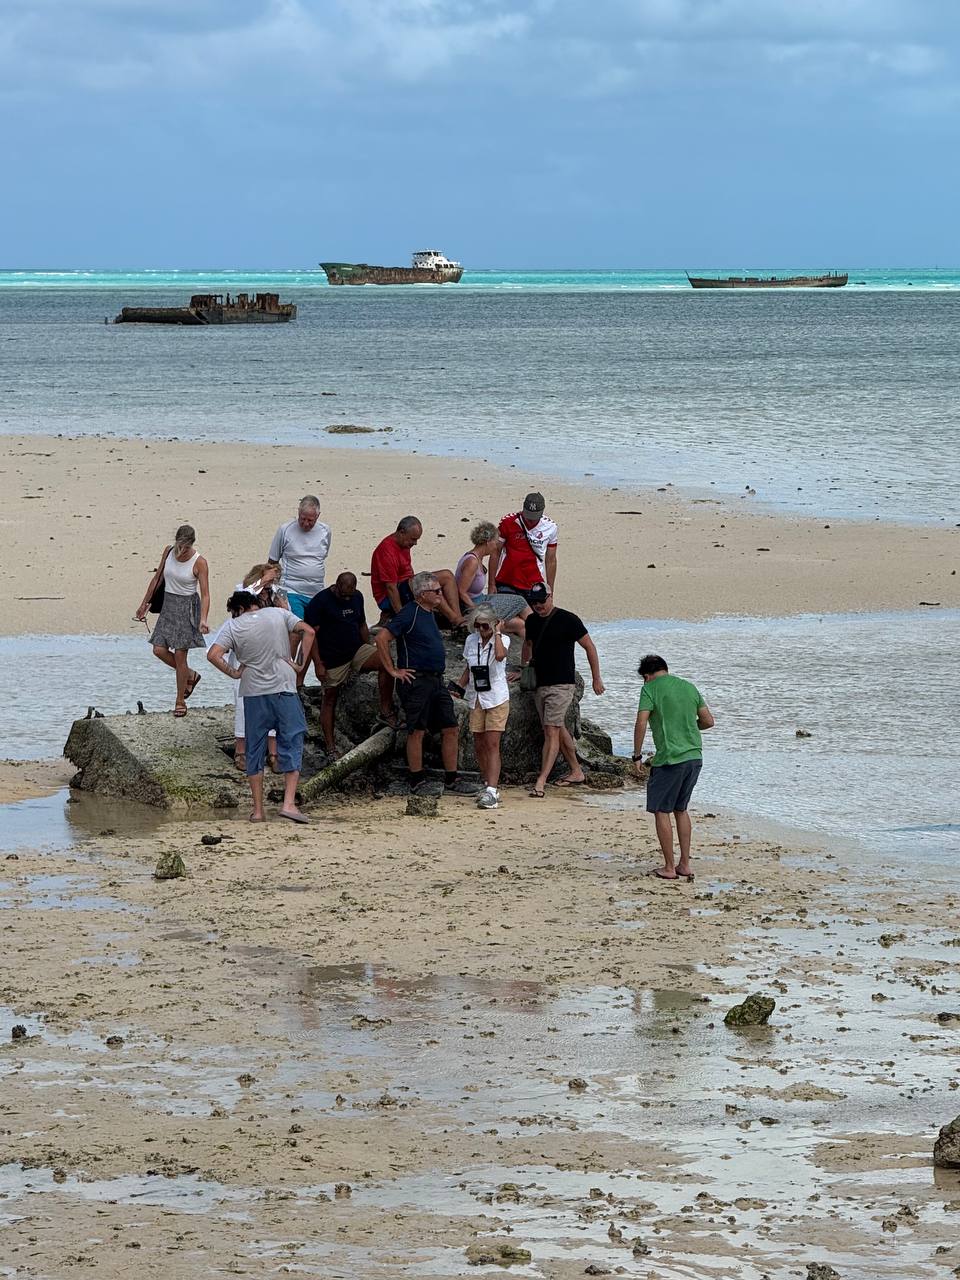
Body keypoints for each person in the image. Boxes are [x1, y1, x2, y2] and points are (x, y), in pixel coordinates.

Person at [207, 592, 316, 824]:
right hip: (284, 686)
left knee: (254, 748)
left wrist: (235, 673)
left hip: (254, 691)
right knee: (291, 741)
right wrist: (299, 665)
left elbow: (214, 655)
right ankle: (288, 804)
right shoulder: (278, 613)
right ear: (256, 604)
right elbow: (309, 631)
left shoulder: (232, 625)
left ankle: (257, 810)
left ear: (237, 609)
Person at [375, 572, 480, 796]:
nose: (441, 594)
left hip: (435, 679)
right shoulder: (409, 614)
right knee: (417, 730)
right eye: (437, 591)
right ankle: (416, 779)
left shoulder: (429, 612)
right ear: (423, 594)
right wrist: (393, 670)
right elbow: (382, 638)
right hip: (416, 680)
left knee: (450, 727)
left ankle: (452, 778)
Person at [632, 654, 714, 882]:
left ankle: (669, 867)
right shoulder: (688, 686)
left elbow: (641, 722)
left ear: (646, 676)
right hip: (694, 757)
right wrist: (688, 727)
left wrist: (637, 755)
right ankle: (685, 864)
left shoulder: (650, 689)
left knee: (661, 810)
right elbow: (708, 721)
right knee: (681, 809)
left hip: (670, 759)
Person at [522, 583, 603, 797]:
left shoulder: (568, 619)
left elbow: (589, 646)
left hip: (562, 684)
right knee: (557, 728)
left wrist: (596, 679)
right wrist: (523, 669)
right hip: (540, 683)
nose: (538, 605)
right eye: (534, 602)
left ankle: (541, 780)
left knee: (550, 731)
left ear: (551, 596)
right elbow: (527, 645)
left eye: (541, 600)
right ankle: (576, 771)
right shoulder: (531, 620)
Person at [303, 571, 397, 758]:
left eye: (350, 594)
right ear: (336, 585)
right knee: (330, 698)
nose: (347, 597)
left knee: (386, 663)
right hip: (332, 659)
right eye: (344, 594)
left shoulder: (356, 597)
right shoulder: (320, 602)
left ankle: (386, 710)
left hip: (356, 649)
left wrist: (368, 647)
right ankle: (330, 746)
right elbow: (311, 635)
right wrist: (318, 664)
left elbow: (362, 624)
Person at [135, 524, 210, 718]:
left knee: (180, 656)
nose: (181, 551)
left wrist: (203, 619)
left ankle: (180, 701)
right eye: (179, 545)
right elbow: (157, 579)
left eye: (185, 547)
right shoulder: (168, 551)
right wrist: (144, 604)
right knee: (158, 649)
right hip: (168, 606)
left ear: (191, 544)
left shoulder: (199, 562)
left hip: (187, 608)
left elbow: (206, 594)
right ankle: (190, 675)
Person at [460, 606, 511, 810]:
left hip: (496, 697)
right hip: (476, 697)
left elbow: (499, 656)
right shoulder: (471, 640)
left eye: (485, 626)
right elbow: (468, 668)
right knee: (479, 743)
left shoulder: (502, 640)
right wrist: (457, 686)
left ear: (494, 623)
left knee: (492, 743)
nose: (481, 630)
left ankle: (492, 790)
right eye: (477, 626)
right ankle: (486, 783)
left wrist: (497, 632)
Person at [370, 516, 465, 626]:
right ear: (402, 532)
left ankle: (458, 618)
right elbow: (391, 588)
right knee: (433, 581)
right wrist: (402, 616)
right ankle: (455, 619)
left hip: (405, 586)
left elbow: (408, 570)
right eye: (413, 539)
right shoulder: (387, 551)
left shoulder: (403, 544)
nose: (415, 543)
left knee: (447, 576)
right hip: (388, 597)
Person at [455, 521, 530, 639]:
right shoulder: (472, 562)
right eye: (495, 542)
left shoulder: (477, 558)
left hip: (482, 599)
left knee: (520, 622)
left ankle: (536, 644)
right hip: (476, 604)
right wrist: (476, 610)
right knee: (520, 602)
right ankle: (541, 629)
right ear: (488, 542)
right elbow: (461, 591)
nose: (496, 546)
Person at [267, 496, 332, 619]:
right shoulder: (285, 530)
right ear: (298, 512)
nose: (306, 524)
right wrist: (273, 590)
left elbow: (323, 556)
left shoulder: (325, 531)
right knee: (298, 624)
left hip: (316, 590)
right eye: (303, 519)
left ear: (318, 516)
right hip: (290, 589)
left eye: (310, 520)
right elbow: (272, 561)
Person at [496, 492, 558, 604]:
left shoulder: (551, 527)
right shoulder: (507, 522)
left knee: (533, 618)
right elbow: (496, 552)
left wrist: (550, 590)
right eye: (528, 515)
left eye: (534, 517)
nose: (530, 520)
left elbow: (551, 560)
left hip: (534, 583)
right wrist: (491, 583)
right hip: (507, 580)